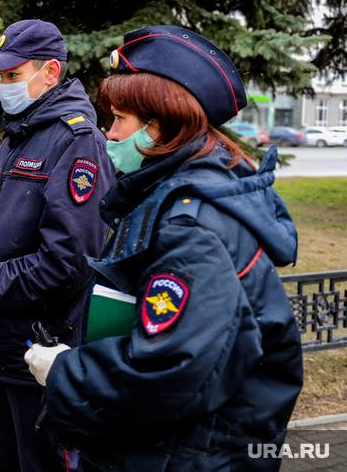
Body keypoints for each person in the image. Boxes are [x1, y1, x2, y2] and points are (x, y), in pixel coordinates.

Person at [24, 26, 303, 472]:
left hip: (189, 456)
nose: (109, 134)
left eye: (119, 120)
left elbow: (170, 369)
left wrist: (64, 371)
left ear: (162, 127)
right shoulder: (178, 196)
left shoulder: (190, 227)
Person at [0, 20, 116, 471]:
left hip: (44, 352)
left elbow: (68, 262)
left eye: (13, 75)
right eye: (0, 77)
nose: (4, 86)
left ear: (50, 72)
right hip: (3, 347)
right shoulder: (20, 132)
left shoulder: (77, 142)